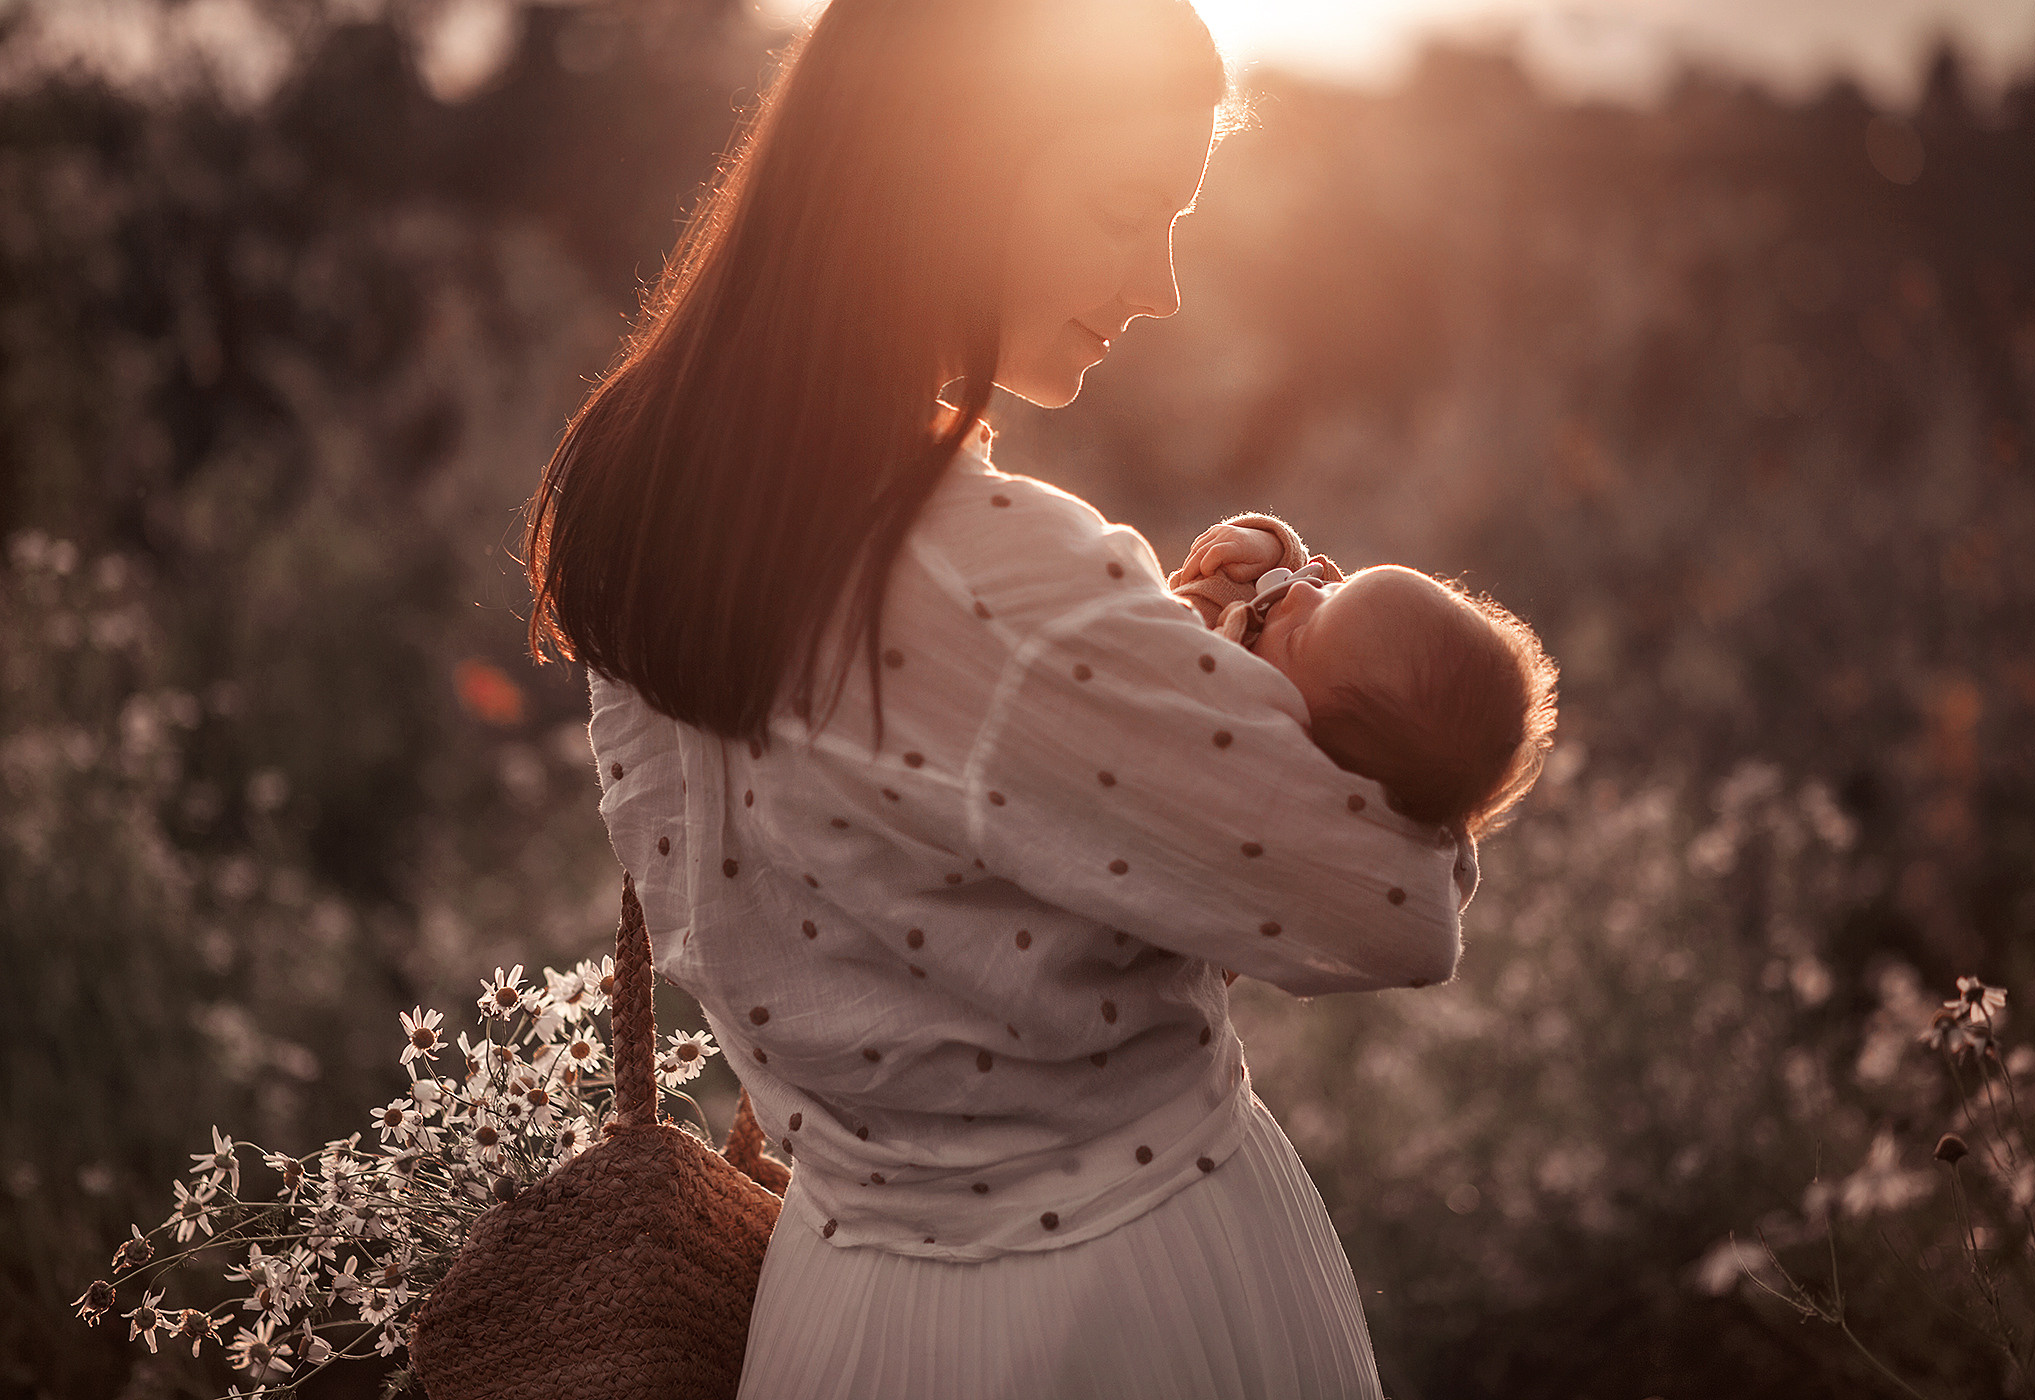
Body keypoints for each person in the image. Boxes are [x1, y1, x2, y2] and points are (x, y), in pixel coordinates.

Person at [527, 1, 1481, 1394]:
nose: (1158, 282)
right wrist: (1299, 679)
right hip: (1123, 1295)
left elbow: (929, 811)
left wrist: (1151, 661)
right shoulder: (994, 574)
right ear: (954, 169)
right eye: (1122, 205)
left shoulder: (647, 495)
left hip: (842, 1310)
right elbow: (1398, 907)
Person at [1168, 514, 1559, 839]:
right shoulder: (1321, 649)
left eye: (1298, 637)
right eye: (1337, 589)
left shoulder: (1233, 710)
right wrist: (1274, 549)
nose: (1299, 593)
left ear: (1309, 746)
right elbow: (1305, 583)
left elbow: (1169, 637)